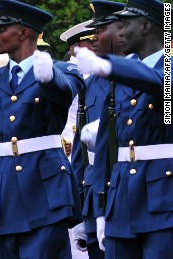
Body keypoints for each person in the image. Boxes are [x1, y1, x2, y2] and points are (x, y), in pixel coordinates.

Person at [0, 1, 85, 258]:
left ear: (24, 32)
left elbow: (64, 91)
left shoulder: (65, 70)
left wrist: (48, 75)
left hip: (45, 192)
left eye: (1, 29)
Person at [75, 0, 171, 258]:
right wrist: (102, 209)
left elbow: (161, 83)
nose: (120, 31)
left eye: (125, 24)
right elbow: (108, 145)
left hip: (164, 199)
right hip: (122, 199)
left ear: (146, 26)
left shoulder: (168, 68)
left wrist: (110, 65)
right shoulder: (120, 76)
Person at [70, 1, 126, 259]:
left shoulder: (157, 74)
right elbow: (80, 152)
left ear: (122, 30)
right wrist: (81, 209)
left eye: (100, 30)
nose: (94, 39)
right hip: (95, 192)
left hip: (134, 188)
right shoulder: (89, 83)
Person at [59, 20, 96, 161]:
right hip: (70, 144)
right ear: (78, 46)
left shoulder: (97, 71)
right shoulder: (65, 73)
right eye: (92, 42)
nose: (96, 45)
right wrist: (64, 140)